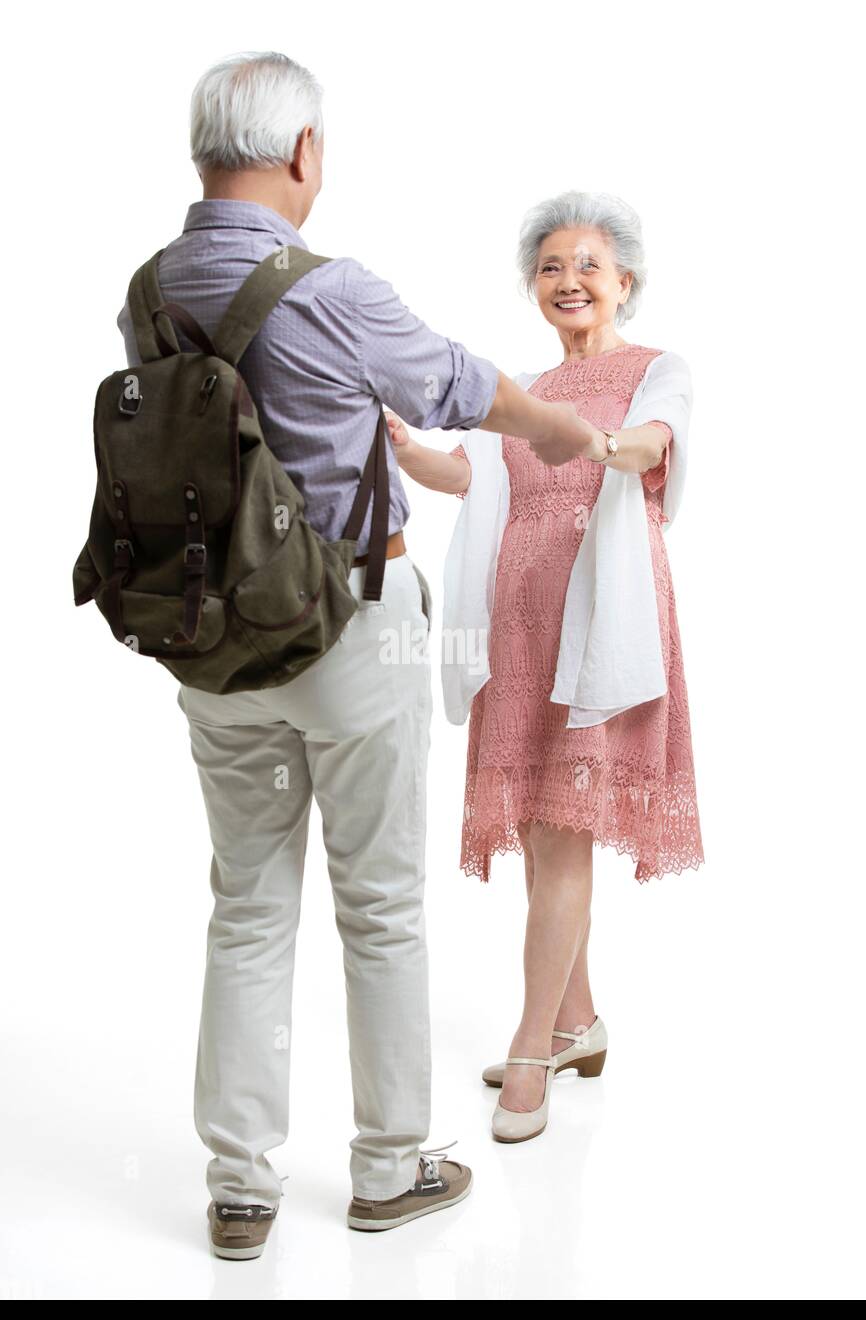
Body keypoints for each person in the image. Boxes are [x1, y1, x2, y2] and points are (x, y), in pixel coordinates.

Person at [116, 53, 597, 1256]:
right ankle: (388, 1167)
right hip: (348, 633)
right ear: (302, 152)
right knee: (378, 908)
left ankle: (238, 1187)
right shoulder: (324, 287)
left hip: (211, 645)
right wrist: (559, 425)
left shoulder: (149, 287)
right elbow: (454, 386)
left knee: (246, 907)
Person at [387, 190, 704, 1148]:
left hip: (601, 621)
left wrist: (602, 442)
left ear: (624, 283)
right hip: (520, 623)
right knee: (537, 823)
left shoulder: (657, 370)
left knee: (564, 830)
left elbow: (654, 443)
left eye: (588, 266)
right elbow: (469, 472)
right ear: (535, 285)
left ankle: (533, 1047)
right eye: (552, 267)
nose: (569, 281)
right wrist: (397, 440)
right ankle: (578, 1021)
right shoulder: (520, 390)